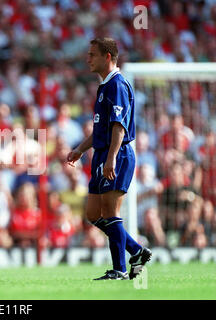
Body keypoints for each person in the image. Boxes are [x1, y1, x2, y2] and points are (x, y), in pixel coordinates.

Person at [66, 38, 151, 280]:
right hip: (102, 153)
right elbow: (101, 128)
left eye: (92, 54)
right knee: (94, 214)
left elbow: (118, 127)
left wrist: (112, 158)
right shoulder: (104, 86)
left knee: (110, 212)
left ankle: (119, 270)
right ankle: (136, 251)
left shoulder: (117, 85)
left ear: (107, 57)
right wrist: (81, 149)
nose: (88, 59)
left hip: (117, 153)